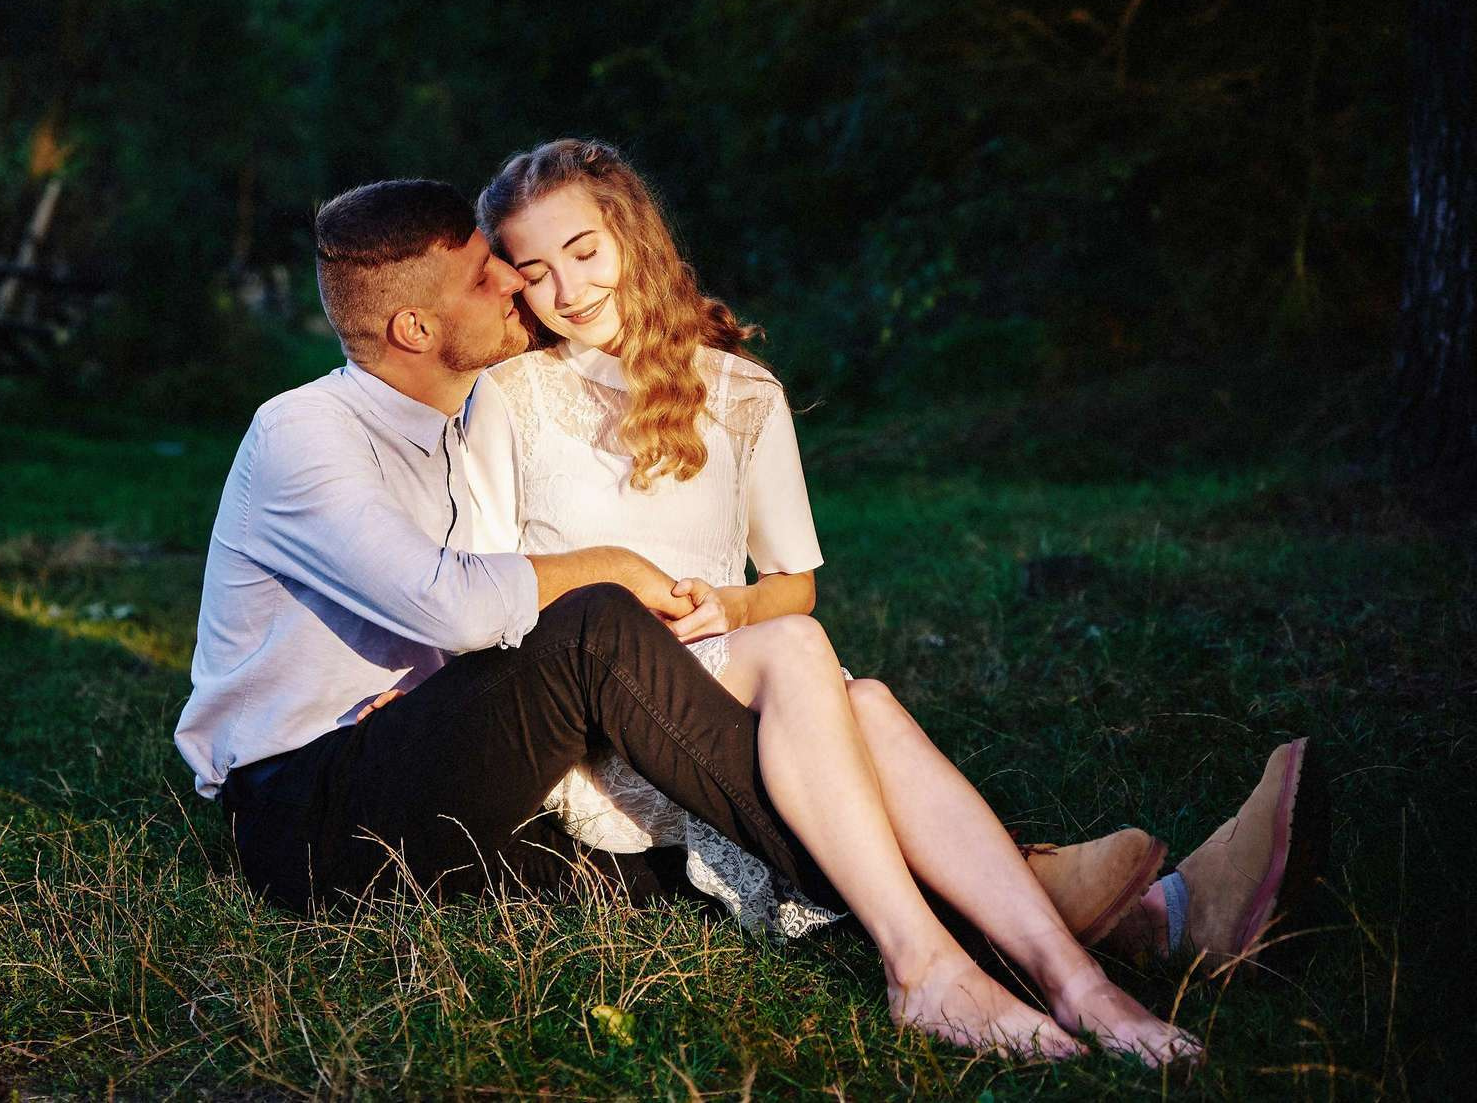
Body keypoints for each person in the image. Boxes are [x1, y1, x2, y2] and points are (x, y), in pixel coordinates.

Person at [171, 176, 1296, 1065]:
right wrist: (607, 560)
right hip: (314, 814)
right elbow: (460, 609)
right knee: (599, 622)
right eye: (488, 279)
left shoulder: (462, 418)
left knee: (726, 821)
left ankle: (1096, 948)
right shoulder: (300, 435)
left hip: (459, 792)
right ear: (414, 325)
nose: (517, 290)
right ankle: (973, 940)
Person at [463, 139, 1327, 985]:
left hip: (754, 684)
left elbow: (792, 586)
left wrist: (731, 606)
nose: (567, 289)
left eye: (583, 251)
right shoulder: (509, 398)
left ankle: (1125, 926)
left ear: (634, 240)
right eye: (534, 270)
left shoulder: (742, 393)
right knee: (836, 705)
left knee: (854, 701)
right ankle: (1127, 909)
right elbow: (488, 587)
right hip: (607, 722)